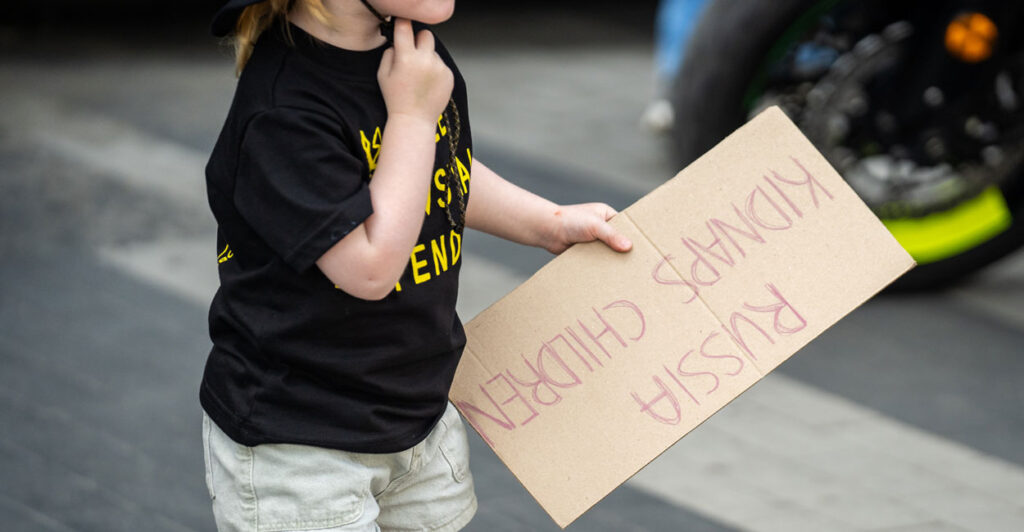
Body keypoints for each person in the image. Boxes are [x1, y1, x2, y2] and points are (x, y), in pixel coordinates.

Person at [200, 0, 633, 530]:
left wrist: (548, 222)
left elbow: (436, 164)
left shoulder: (410, 55)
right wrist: (411, 115)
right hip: (299, 442)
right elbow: (369, 268)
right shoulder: (284, 111)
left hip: (416, 417)